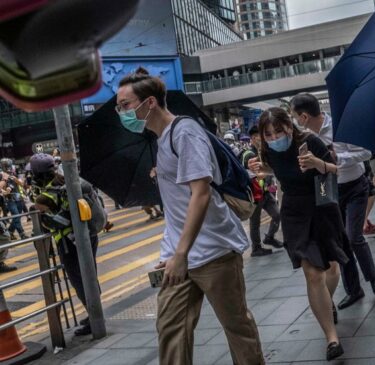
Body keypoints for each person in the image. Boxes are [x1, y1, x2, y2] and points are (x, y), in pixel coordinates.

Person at [116, 68, 264, 365]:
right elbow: (177, 206)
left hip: (215, 251)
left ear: (150, 103)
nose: (121, 112)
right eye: (119, 107)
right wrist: (172, 251)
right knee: (170, 329)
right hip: (179, 256)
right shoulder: (160, 141)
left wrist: (180, 253)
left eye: (125, 105)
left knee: (237, 326)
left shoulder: (184, 132)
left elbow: (201, 193)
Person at [248, 107, 348, 360]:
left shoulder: (310, 141)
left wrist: (318, 163)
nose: (273, 139)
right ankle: (331, 337)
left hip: (323, 205)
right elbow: (276, 170)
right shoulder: (267, 150)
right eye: (267, 135)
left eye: (278, 132)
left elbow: (336, 169)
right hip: (293, 212)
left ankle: (327, 302)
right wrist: (260, 168)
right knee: (312, 274)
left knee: (332, 268)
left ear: (290, 128)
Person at [290, 93, 375, 310]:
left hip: (355, 187)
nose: (295, 121)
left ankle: (373, 277)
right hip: (329, 190)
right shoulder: (303, 137)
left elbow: (366, 153)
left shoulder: (341, 126)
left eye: (295, 117)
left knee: (354, 236)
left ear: (304, 116)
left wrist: (337, 158)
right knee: (340, 243)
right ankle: (353, 290)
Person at [29, 153, 105, 336]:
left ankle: (94, 318)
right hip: (88, 236)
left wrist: (41, 217)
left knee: (79, 280)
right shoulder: (66, 181)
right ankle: (95, 313)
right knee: (89, 275)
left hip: (68, 242)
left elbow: (57, 221)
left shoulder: (47, 195)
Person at [241, 125, 283, 257]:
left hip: (264, 192)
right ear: (253, 138)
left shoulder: (263, 151)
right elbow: (253, 173)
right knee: (255, 222)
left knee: (277, 214)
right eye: (260, 136)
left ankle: (269, 237)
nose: (263, 138)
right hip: (254, 194)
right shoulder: (249, 154)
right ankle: (256, 248)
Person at [0, 159, 27, 241]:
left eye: (8, 165)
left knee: (17, 217)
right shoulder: (1, 175)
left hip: (19, 198)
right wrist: (5, 189)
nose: (8, 167)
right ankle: (22, 234)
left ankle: (10, 231)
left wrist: (15, 179)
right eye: (6, 165)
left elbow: (22, 184)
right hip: (10, 199)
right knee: (16, 215)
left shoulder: (14, 172)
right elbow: (0, 188)